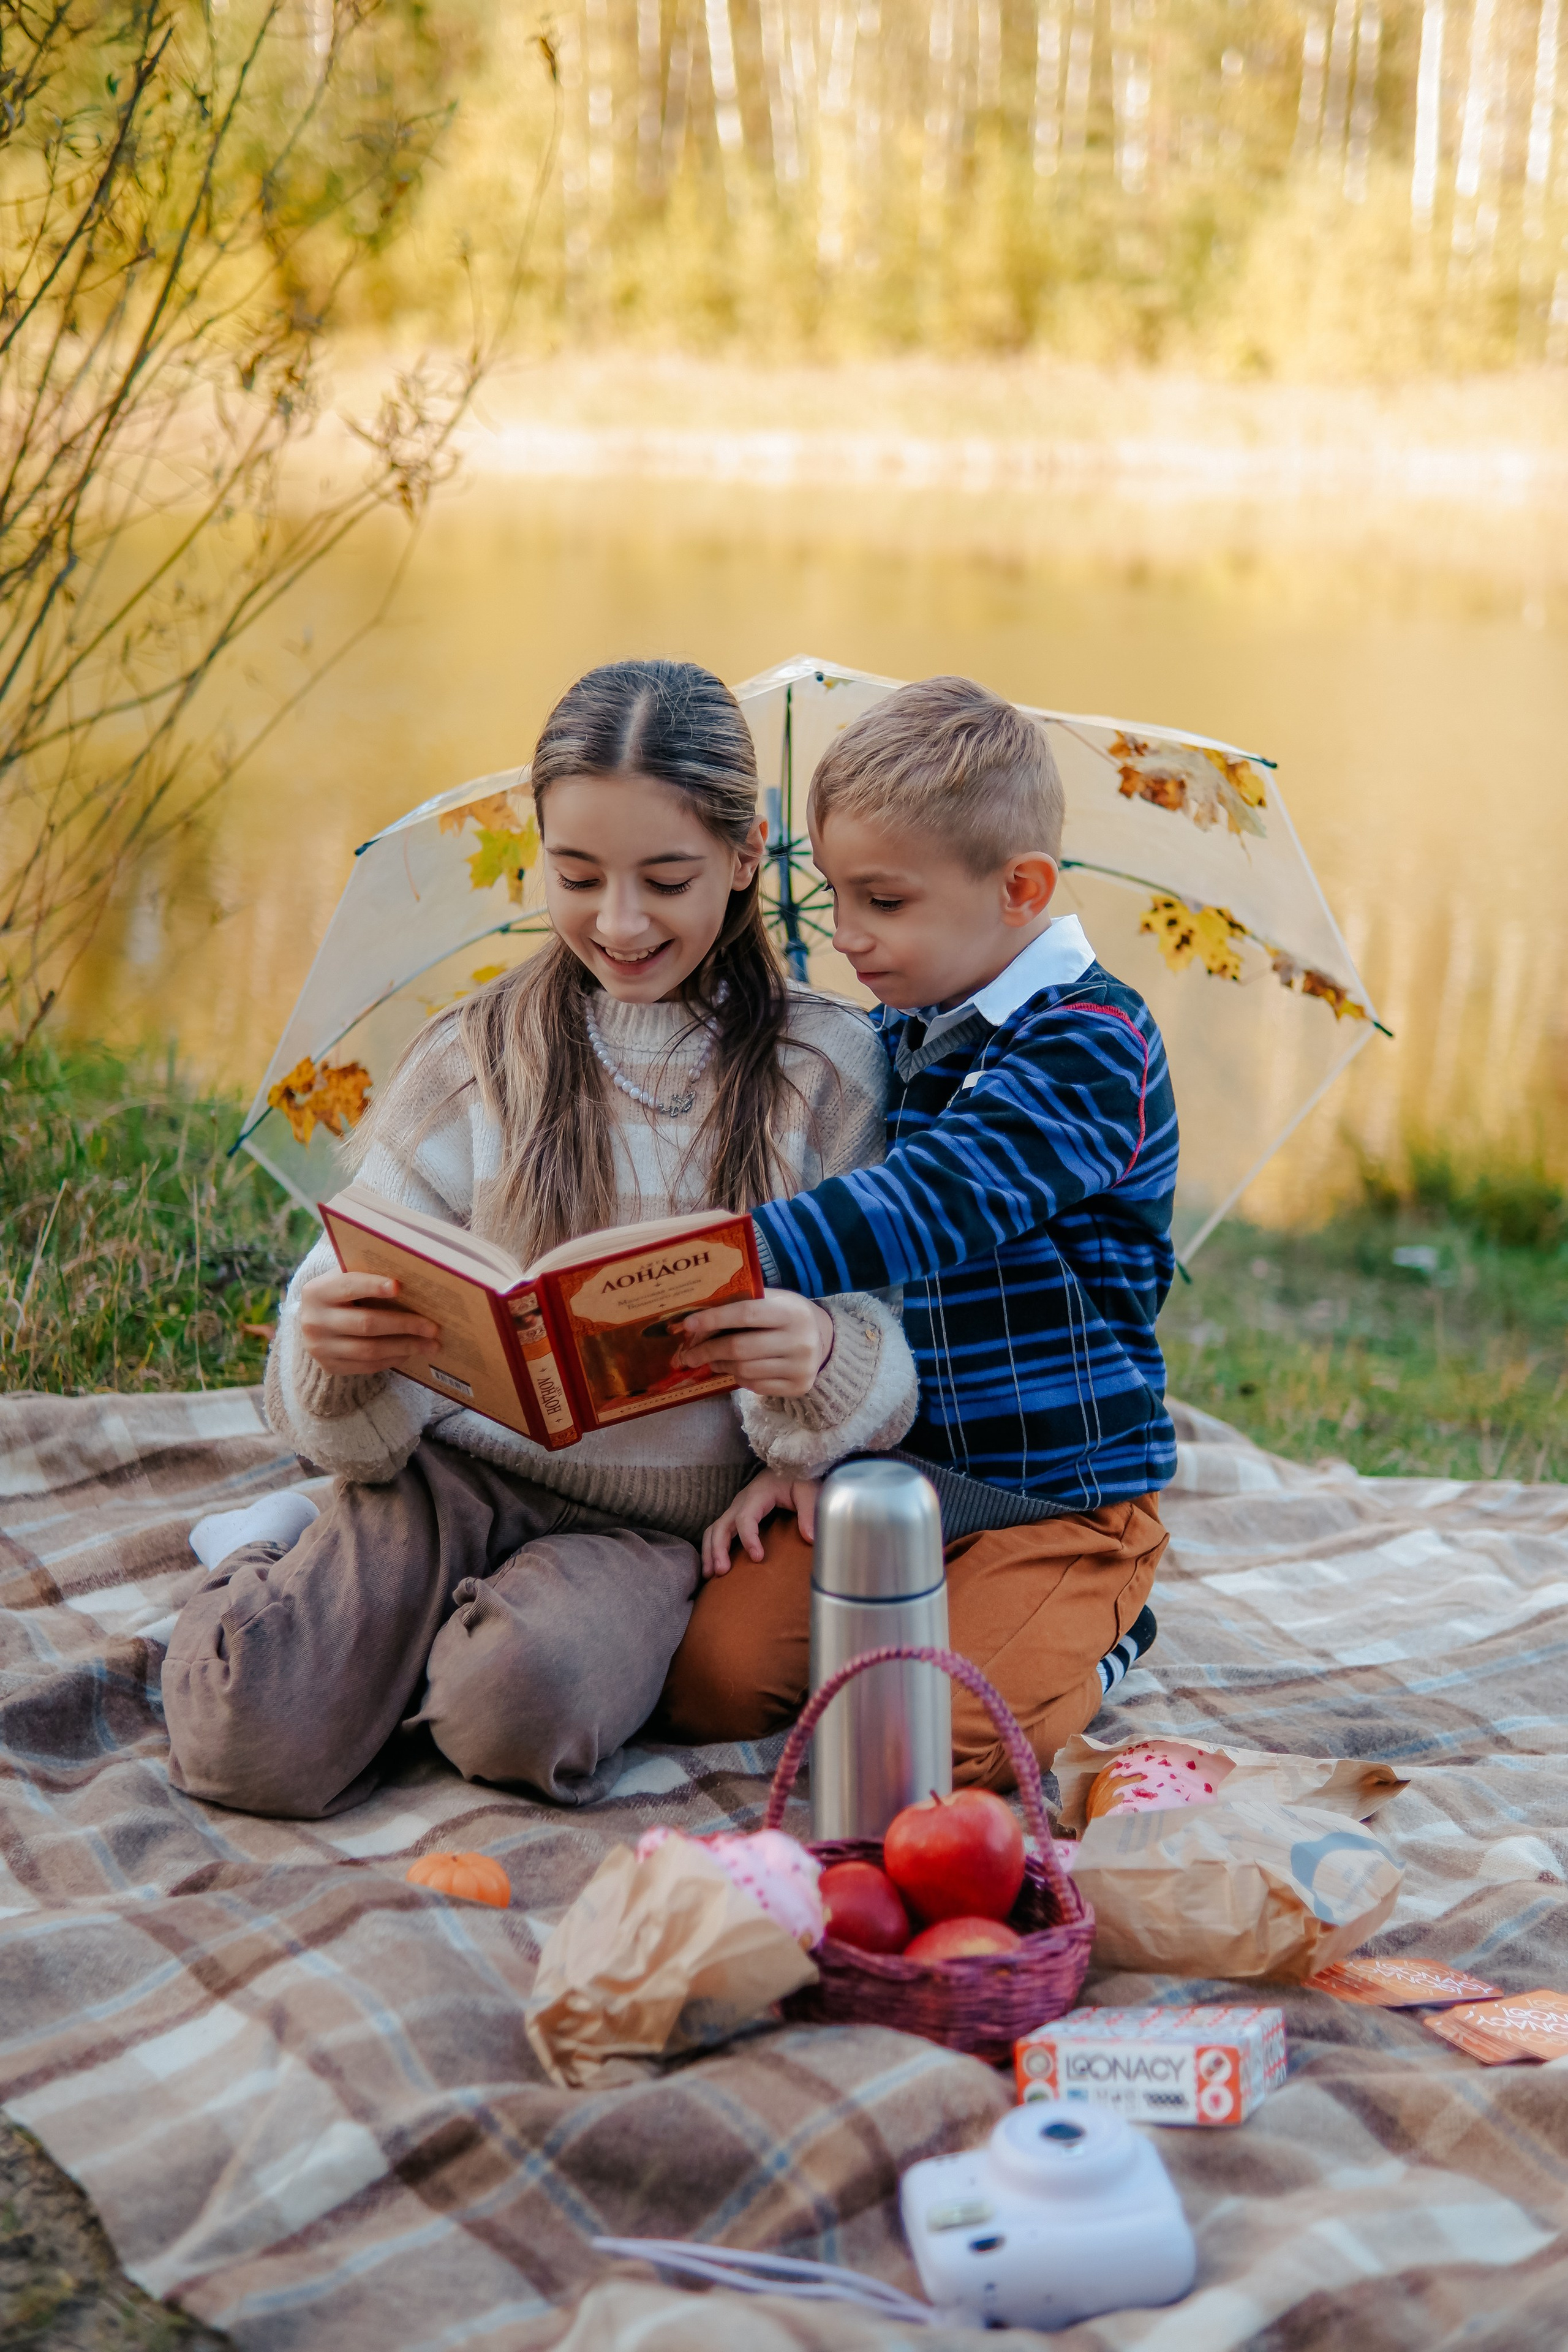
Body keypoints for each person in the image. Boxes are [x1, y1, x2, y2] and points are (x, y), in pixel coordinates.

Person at [162, 660, 917, 1818]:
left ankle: (435, 1640)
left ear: (746, 855)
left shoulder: (830, 1069)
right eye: (576, 876)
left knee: (518, 1710)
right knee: (243, 1740)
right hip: (447, 1476)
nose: (618, 923)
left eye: (667, 880)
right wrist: (329, 1347)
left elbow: (889, 1345)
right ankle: (271, 1552)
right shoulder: (474, 1051)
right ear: (542, 854)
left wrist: (820, 1359)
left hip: (649, 1529)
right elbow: (339, 1305)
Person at [655, 675, 1178, 1789]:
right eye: (834, 897)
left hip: (1053, 1489)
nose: (846, 937)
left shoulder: (1093, 1044)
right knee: (711, 1687)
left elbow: (935, 1199)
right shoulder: (891, 1034)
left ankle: (1109, 1612)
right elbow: (855, 1298)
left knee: (940, 1746)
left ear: (1019, 888)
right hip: (893, 1470)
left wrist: (728, 1258)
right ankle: (919, 1626)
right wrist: (807, 1446)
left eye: (883, 903)